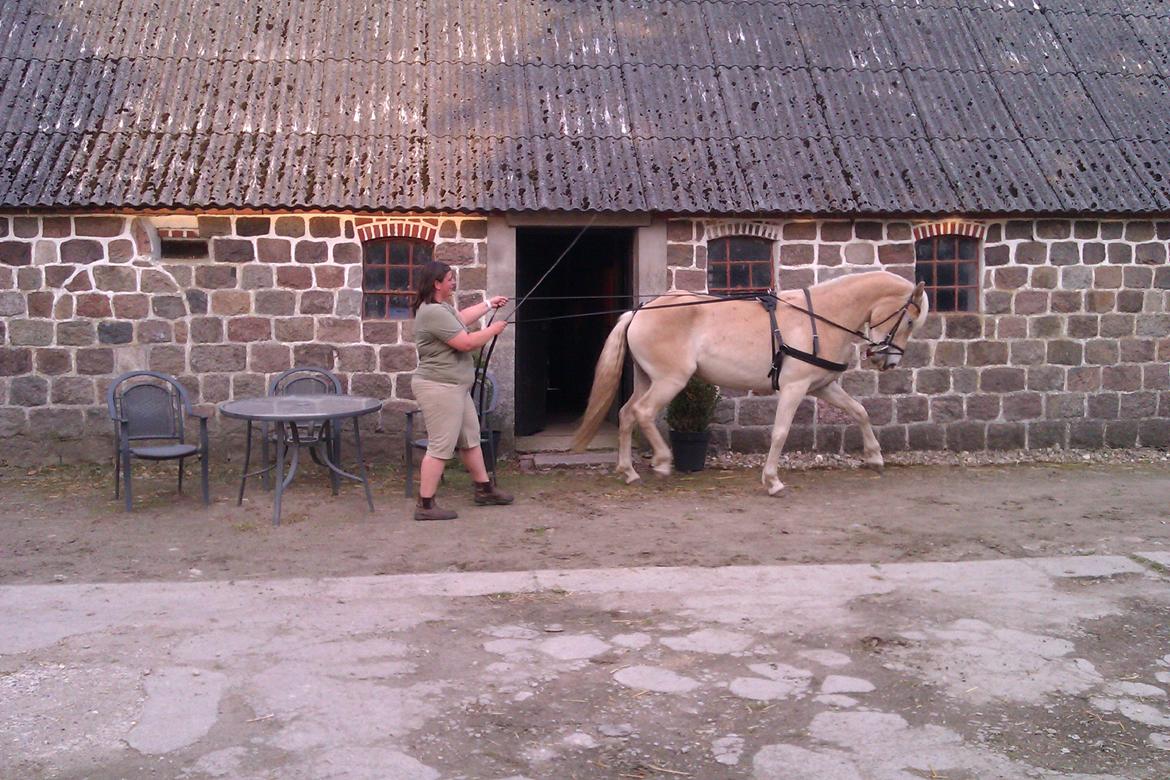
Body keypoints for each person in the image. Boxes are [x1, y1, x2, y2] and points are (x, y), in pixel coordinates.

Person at [410, 261, 513, 521]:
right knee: (440, 446)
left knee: (470, 438)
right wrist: (492, 330)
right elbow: (465, 342)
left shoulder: (441, 309)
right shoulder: (432, 311)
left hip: (455, 387)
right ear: (437, 284)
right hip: (439, 387)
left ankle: (484, 489)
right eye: (449, 279)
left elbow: (460, 320)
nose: (453, 283)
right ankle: (425, 504)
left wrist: (489, 304)